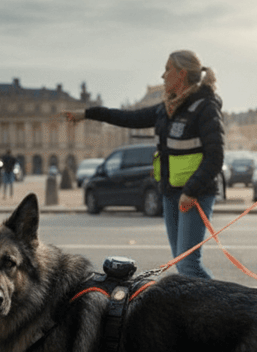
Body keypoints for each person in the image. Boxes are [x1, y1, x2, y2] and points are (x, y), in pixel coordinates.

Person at [64, 50, 224, 279]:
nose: (163, 75)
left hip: (194, 194)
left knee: (188, 264)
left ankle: (217, 310)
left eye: (167, 69)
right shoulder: (167, 108)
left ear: (181, 74)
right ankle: (198, 312)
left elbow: (216, 156)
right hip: (171, 193)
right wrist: (88, 113)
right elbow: (128, 118)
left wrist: (191, 191)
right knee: (182, 263)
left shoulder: (205, 107)